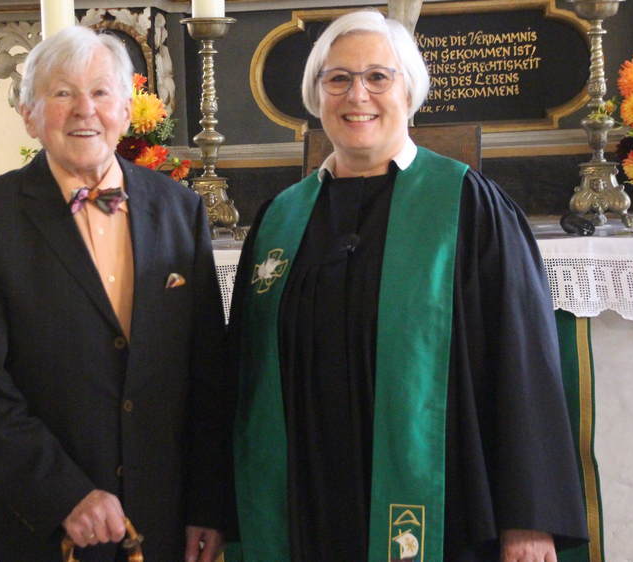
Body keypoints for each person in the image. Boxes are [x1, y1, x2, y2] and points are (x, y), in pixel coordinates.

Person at [227, 11, 589, 562]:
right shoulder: (282, 217)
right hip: (305, 507)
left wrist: (528, 519)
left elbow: (524, 366)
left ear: (411, 91)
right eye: (338, 78)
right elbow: (244, 375)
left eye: (378, 76)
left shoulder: (468, 205)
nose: (358, 95)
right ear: (317, 95)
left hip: (446, 508)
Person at [0, 25, 226, 562]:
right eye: (62, 93)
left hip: (160, 521)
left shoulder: (179, 209)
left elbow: (208, 371)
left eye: (100, 93)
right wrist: (64, 493)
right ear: (29, 113)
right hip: (36, 526)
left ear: (126, 109)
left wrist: (207, 505)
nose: (83, 110)